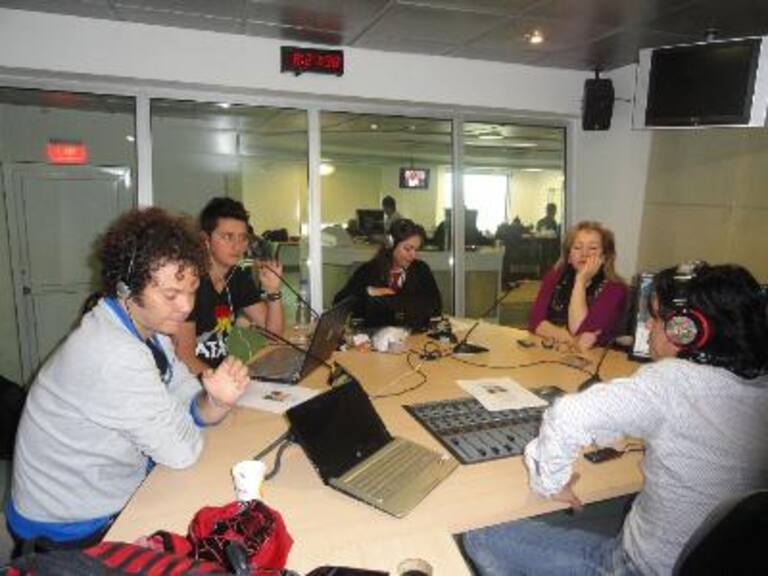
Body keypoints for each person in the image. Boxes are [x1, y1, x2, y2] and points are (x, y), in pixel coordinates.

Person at [463, 262, 768, 575]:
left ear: (685, 329)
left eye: (655, 317)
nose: (648, 326)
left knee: (479, 536)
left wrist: (551, 482)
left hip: (638, 568)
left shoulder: (673, 383)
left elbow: (567, 415)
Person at [6, 208, 250, 554]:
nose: (185, 307)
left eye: (192, 290)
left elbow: (185, 392)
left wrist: (215, 401)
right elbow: (182, 451)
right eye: (170, 295)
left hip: (103, 487)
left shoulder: (147, 328)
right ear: (126, 288)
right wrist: (194, 412)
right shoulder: (113, 352)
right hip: (68, 524)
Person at [174, 197, 284, 375]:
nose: (237, 246)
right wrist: (222, 385)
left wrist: (273, 291)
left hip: (221, 377)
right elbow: (184, 357)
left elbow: (273, 336)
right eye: (227, 237)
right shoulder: (190, 283)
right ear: (205, 240)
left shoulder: (237, 277)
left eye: (243, 238)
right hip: (194, 383)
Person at [528, 221, 628, 351]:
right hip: (553, 352)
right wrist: (572, 340)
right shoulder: (554, 276)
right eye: (577, 247)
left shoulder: (615, 289)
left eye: (592, 248)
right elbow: (535, 322)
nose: (584, 253)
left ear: (604, 257)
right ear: (569, 256)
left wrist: (580, 281)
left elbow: (580, 330)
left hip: (596, 358)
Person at [333, 218, 441, 329]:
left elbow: (435, 307)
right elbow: (339, 302)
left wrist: (386, 301)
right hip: (373, 336)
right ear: (391, 245)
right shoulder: (369, 270)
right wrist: (370, 291)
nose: (413, 255)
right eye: (408, 249)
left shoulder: (421, 270)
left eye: (416, 250)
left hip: (413, 335)